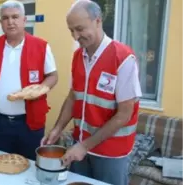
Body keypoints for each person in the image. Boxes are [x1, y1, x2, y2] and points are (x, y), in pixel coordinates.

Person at [41, 0, 142, 185]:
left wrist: (84, 146)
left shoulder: (124, 58)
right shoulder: (78, 56)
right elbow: (73, 97)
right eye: (71, 30)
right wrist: (57, 129)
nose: (75, 36)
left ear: (98, 20)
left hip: (111, 154)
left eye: (80, 28)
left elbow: (124, 115)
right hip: (80, 147)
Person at [0, 0, 58, 160]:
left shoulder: (41, 46)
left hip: (30, 124)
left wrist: (39, 89)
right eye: (5, 18)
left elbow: (53, 76)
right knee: (1, 164)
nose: (10, 22)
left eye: (15, 17)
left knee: (30, 167)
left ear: (24, 20)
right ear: (0, 22)